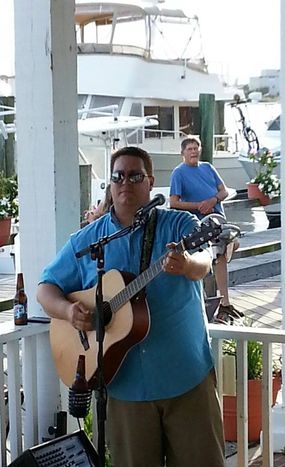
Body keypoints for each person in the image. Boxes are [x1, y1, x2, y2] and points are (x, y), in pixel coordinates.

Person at [37, 146, 225, 467]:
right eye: (118, 176)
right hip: (123, 385)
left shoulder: (178, 223)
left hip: (185, 377)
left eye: (135, 175)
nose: (126, 182)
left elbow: (205, 261)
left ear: (150, 182)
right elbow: (45, 289)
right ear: (109, 184)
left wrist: (186, 263)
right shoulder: (89, 241)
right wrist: (69, 311)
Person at [169, 135, 244, 322]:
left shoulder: (208, 167)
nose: (193, 151)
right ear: (183, 153)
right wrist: (199, 206)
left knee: (231, 246)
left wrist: (213, 200)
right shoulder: (179, 173)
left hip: (219, 220)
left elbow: (224, 191)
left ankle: (223, 303)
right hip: (201, 224)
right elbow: (174, 203)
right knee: (219, 254)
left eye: (196, 148)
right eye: (189, 149)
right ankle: (222, 302)